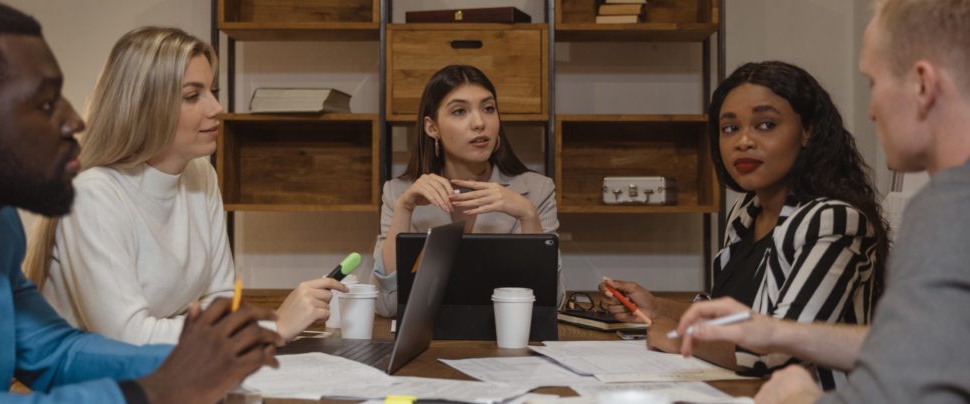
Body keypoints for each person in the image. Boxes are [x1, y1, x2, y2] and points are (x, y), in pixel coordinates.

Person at [0, 1, 280, 402]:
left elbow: (54, 351)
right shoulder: (94, 194)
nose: (76, 121)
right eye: (47, 103)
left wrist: (194, 363)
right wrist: (149, 392)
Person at [675, 0, 970, 402]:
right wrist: (779, 332)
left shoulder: (947, 211)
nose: (870, 110)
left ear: (922, 84)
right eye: (730, 128)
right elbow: (925, 348)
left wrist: (802, 398)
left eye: (873, 83)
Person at [21, 27, 345, 345]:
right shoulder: (92, 195)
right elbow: (126, 337)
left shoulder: (200, 174)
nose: (216, 108)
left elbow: (220, 302)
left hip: (169, 376)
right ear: (145, 108)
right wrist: (268, 328)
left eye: (212, 92)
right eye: (193, 96)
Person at [600, 61, 890, 389]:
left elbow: (779, 351)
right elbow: (738, 319)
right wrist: (655, 306)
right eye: (729, 128)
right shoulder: (745, 211)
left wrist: (679, 335)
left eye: (766, 124)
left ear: (808, 130)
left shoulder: (833, 220)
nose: (743, 141)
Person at [371, 65, 560, 317]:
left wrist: (528, 216)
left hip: (504, 345)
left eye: (488, 108)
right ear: (432, 127)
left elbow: (548, 305)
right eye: (460, 111)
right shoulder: (398, 193)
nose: (480, 123)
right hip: (428, 348)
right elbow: (388, 306)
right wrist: (405, 209)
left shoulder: (537, 190)